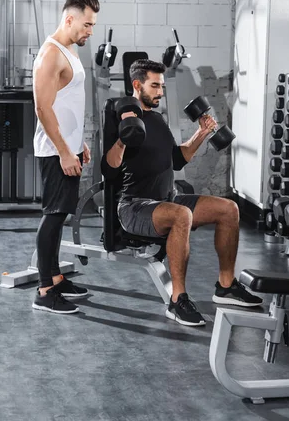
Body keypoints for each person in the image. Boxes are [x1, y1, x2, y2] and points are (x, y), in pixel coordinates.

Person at [101, 59, 262, 327]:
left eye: (162, 86)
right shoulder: (123, 115)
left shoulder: (157, 119)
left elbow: (177, 159)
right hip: (135, 207)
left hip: (168, 199)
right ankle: (177, 300)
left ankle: (225, 287)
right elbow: (108, 170)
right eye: (155, 86)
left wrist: (202, 132)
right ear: (137, 85)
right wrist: (123, 138)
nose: (160, 92)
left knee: (228, 210)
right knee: (182, 215)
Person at [32, 0, 100, 314]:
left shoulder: (70, 50)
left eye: (93, 25)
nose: (90, 31)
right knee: (53, 216)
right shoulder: (50, 54)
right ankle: (45, 291)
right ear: (69, 18)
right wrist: (63, 151)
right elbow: (42, 108)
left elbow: (67, 103)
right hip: (54, 151)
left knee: (60, 218)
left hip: (68, 149)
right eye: (87, 24)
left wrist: (79, 144)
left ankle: (57, 277)